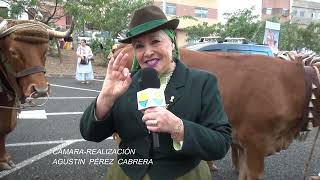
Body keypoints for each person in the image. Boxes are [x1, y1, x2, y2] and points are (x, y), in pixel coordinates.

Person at [80, 5, 232, 180]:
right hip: (125, 174)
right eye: (139, 46)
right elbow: (90, 134)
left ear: (172, 42)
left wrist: (178, 127)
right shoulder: (124, 83)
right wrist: (105, 99)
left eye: (155, 41)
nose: (148, 52)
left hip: (184, 175)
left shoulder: (202, 82)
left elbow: (220, 144)